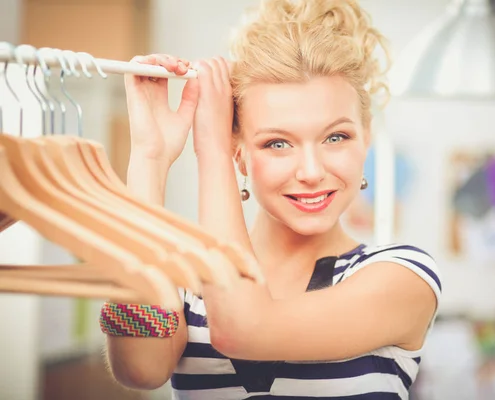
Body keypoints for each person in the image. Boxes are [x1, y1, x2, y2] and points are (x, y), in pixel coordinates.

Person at [101, 0, 442, 398]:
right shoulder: (187, 280)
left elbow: (242, 328)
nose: (312, 171)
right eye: (277, 143)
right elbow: (140, 370)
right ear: (240, 151)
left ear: (365, 136)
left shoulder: (402, 275)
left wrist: (211, 150)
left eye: (336, 137)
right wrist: (150, 158)